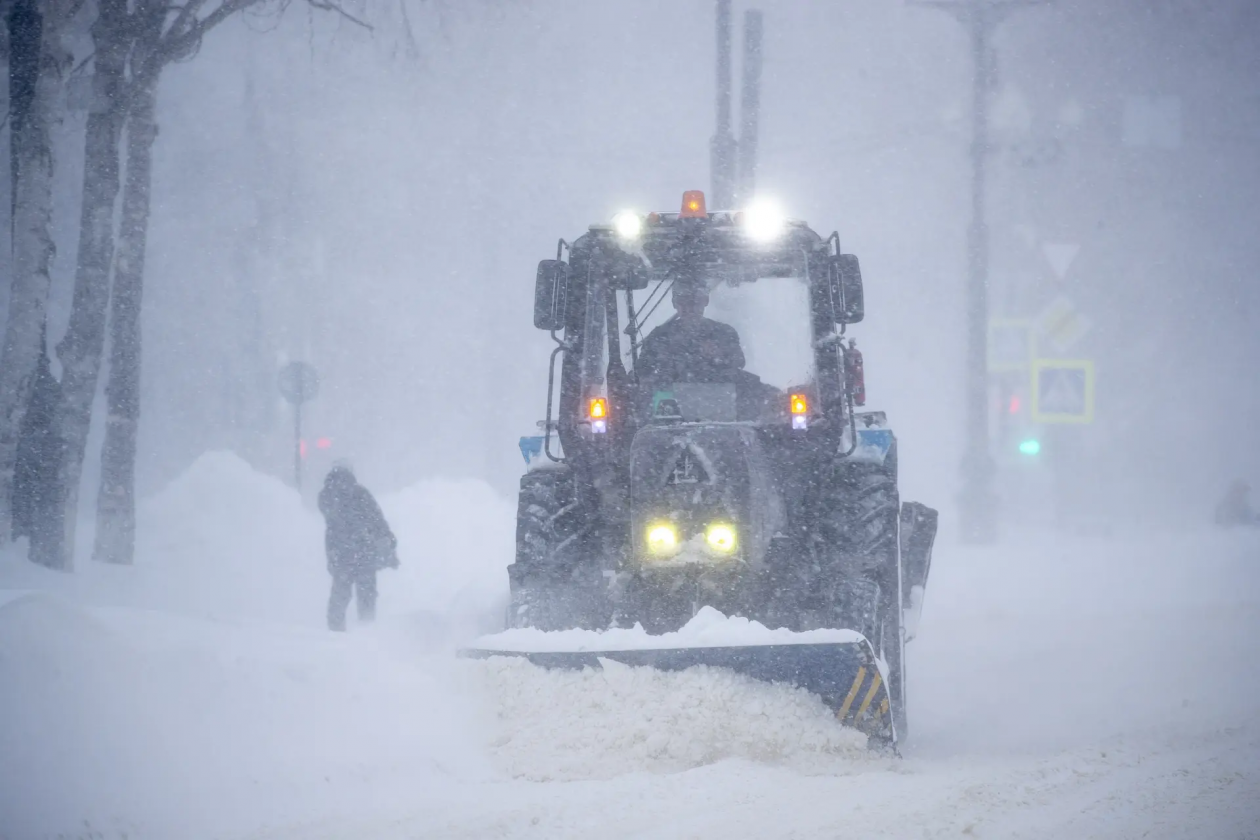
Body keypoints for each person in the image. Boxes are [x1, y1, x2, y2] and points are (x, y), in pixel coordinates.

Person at [318, 462, 398, 631]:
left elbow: (331, 519)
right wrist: (388, 539)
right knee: (366, 593)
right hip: (363, 551)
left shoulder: (327, 495)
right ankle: (366, 631)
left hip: (339, 551)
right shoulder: (360, 493)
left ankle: (334, 630)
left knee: (340, 593)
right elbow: (377, 519)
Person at [636, 281, 745, 384]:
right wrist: (660, 366)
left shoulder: (723, 333)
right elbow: (642, 370)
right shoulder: (659, 336)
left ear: (705, 301)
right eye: (682, 302)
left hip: (717, 394)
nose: (689, 308)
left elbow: (739, 364)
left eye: (694, 302)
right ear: (674, 303)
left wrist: (720, 355)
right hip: (669, 395)